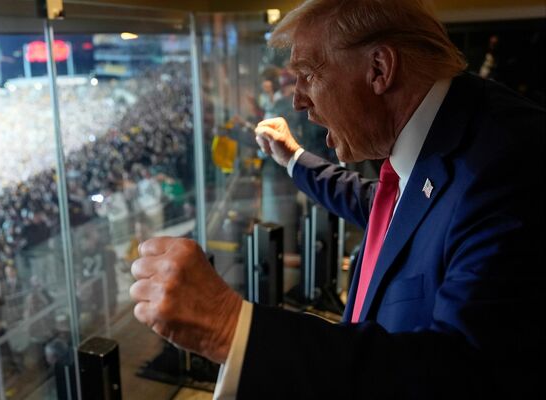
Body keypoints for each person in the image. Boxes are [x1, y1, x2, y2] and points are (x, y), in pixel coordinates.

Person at [129, 0, 545, 398]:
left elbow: (465, 375)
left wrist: (228, 327)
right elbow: (386, 210)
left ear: (379, 69)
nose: (298, 99)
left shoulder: (510, 165)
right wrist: (293, 159)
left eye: (308, 73)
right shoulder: (447, 136)